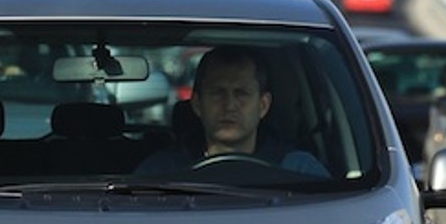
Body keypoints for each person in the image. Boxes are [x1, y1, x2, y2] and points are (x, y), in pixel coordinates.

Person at [134, 46, 329, 177]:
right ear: (197, 104)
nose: (229, 105)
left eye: (241, 93)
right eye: (218, 93)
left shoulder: (299, 171)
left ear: (263, 105)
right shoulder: (161, 173)